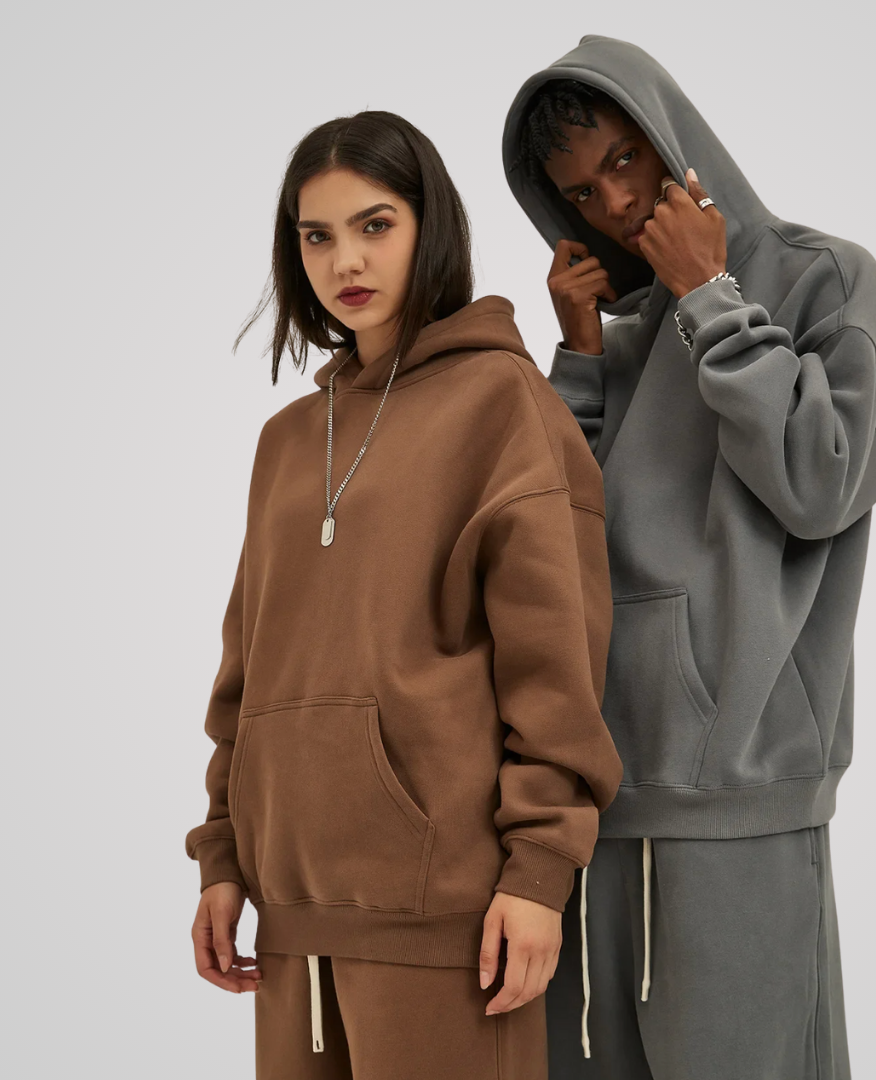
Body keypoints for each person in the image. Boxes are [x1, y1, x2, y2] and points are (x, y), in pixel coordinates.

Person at [184, 109, 623, 1080]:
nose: (346, 260)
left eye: (375, 225)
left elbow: (556, 661)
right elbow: (248, 672)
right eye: (318, 235)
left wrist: (540, 871)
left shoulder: (501, 402)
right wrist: (223, 857)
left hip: (450, 919)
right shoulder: (286, 441)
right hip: (291, 918)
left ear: (432, 227)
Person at [503, 35, 876, 1080]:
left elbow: (822, 485)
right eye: (581, 194)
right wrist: (580, 361)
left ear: (671, 136)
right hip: (587, 813)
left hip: (740, 807)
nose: (616, 203)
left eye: (626, 161)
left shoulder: (824, 278)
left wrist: (711, 293)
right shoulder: (616, 333)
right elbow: (553, 549)